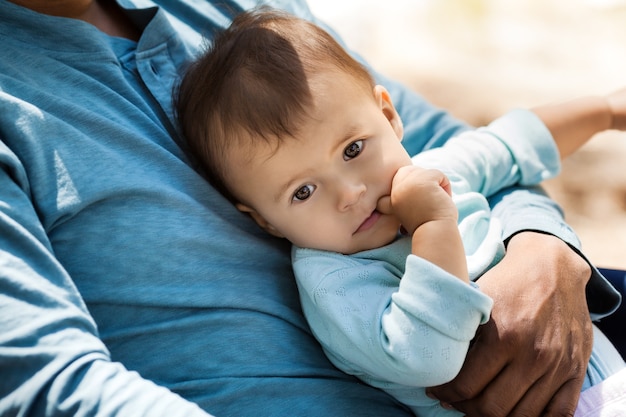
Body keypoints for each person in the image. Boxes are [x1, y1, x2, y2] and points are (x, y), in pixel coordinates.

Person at [0, 1, 622, 417]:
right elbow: (51, 385)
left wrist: (543, 247)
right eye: (302, 191)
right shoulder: (336, 280)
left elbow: (477, 144)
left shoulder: (245, 18)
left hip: (580, 358)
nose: (351, 192)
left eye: (353, 151)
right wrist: (435, 228)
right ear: (261, 217)